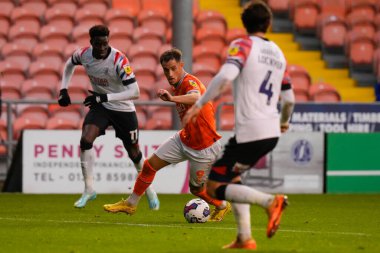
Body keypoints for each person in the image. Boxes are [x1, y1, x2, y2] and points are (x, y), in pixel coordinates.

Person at [184, 0, 295, 250]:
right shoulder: (278, 53)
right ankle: (244, 237)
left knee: (214, 187)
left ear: (244, 23)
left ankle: (270, 202)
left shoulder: (243, 45)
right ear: (269, 23)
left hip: (251, 131)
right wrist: (284, 123)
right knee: (232, 177)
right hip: (270, 132)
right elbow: (289, 98)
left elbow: (226, 76)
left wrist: (200, 104)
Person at [103, 48, 231, 222]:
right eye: (165, 70)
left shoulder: (190, 82)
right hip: (184, 139)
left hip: (204, 147)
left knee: (196, 189)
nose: (169, 74)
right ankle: (130, 204)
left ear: (181, 65)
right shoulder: (176, 85)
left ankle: (222, 206)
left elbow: (195, 97)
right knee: (149, 166)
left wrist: (172, 99)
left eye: (173, 68)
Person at [57, 25, 159, 210]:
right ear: (91, 43)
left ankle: (149, 189)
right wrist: (64, 89)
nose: (102, 47)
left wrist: (104, 96)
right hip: (101, 106)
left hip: (123, 109)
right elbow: (69, 64)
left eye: (105, 43)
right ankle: (89, 190)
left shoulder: (119, 60)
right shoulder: (84, 54)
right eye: (98, 44)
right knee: (86, 140)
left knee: (134, 153)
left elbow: (135, 92)